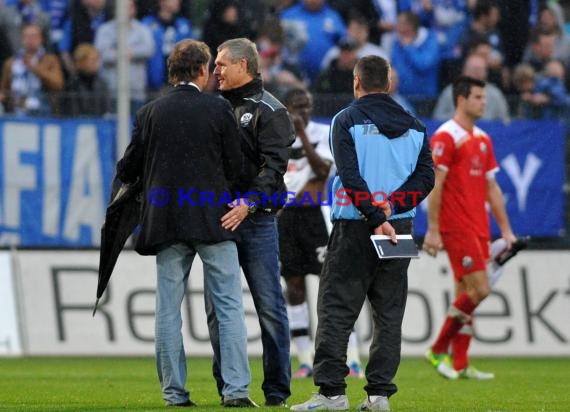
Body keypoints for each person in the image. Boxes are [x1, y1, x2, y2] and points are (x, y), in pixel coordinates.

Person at [291, 55, 435, 411]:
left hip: (355, 225)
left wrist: (373, 214)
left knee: (337, 308)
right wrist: (391, 208)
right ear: (387, 84)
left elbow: (350, 176)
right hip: (398, 226)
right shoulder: (414, 125)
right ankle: (379, 395)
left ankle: (331, 394)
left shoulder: (347, 119)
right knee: (389, 313)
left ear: (357, 83)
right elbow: (426, 177)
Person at [114, 39, 252, 407]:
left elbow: (126, 168)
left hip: (167, 222)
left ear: (172, 71)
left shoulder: (150, 113)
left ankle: (174, 393)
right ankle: (236, 391)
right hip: (214, 219)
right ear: (203, 70)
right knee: (228, 307)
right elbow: (236, 166)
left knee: (167, 310)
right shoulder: (218, 109)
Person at [207, 37, 295, 407]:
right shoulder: (210, 109)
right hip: (218, 222)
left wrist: (249, 202)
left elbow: (274, 168)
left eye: (222, 64)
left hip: (257, 222)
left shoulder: (270, 110)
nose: (216, 70)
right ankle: (228, 387)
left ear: (244, 65)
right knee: (217, 311)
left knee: (270, 308)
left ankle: (276, 391)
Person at [423, 76, 517, 380]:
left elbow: (492, 188)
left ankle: (461, 364)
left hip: (478, 226)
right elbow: (436, 184)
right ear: (461, 99)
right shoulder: (445, 136)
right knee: (481, 288)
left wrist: (506, 231)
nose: (484, 102)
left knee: (465, 292)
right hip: (456, 226)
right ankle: (437, 350)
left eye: (484, 97)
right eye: (478, 97)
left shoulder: (482, 138)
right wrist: (433, 229)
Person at [278, 88, 365, 380]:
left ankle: (351, 358)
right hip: (286, 218)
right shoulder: (276, 134)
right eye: (298, 106)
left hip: (315, 217)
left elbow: (323, 170)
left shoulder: (322, 131)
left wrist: (302, 134)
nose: (304, 111)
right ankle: (304, 359)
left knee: (332, 286)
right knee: (294, 288)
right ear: (287, 107)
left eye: (308, 105)